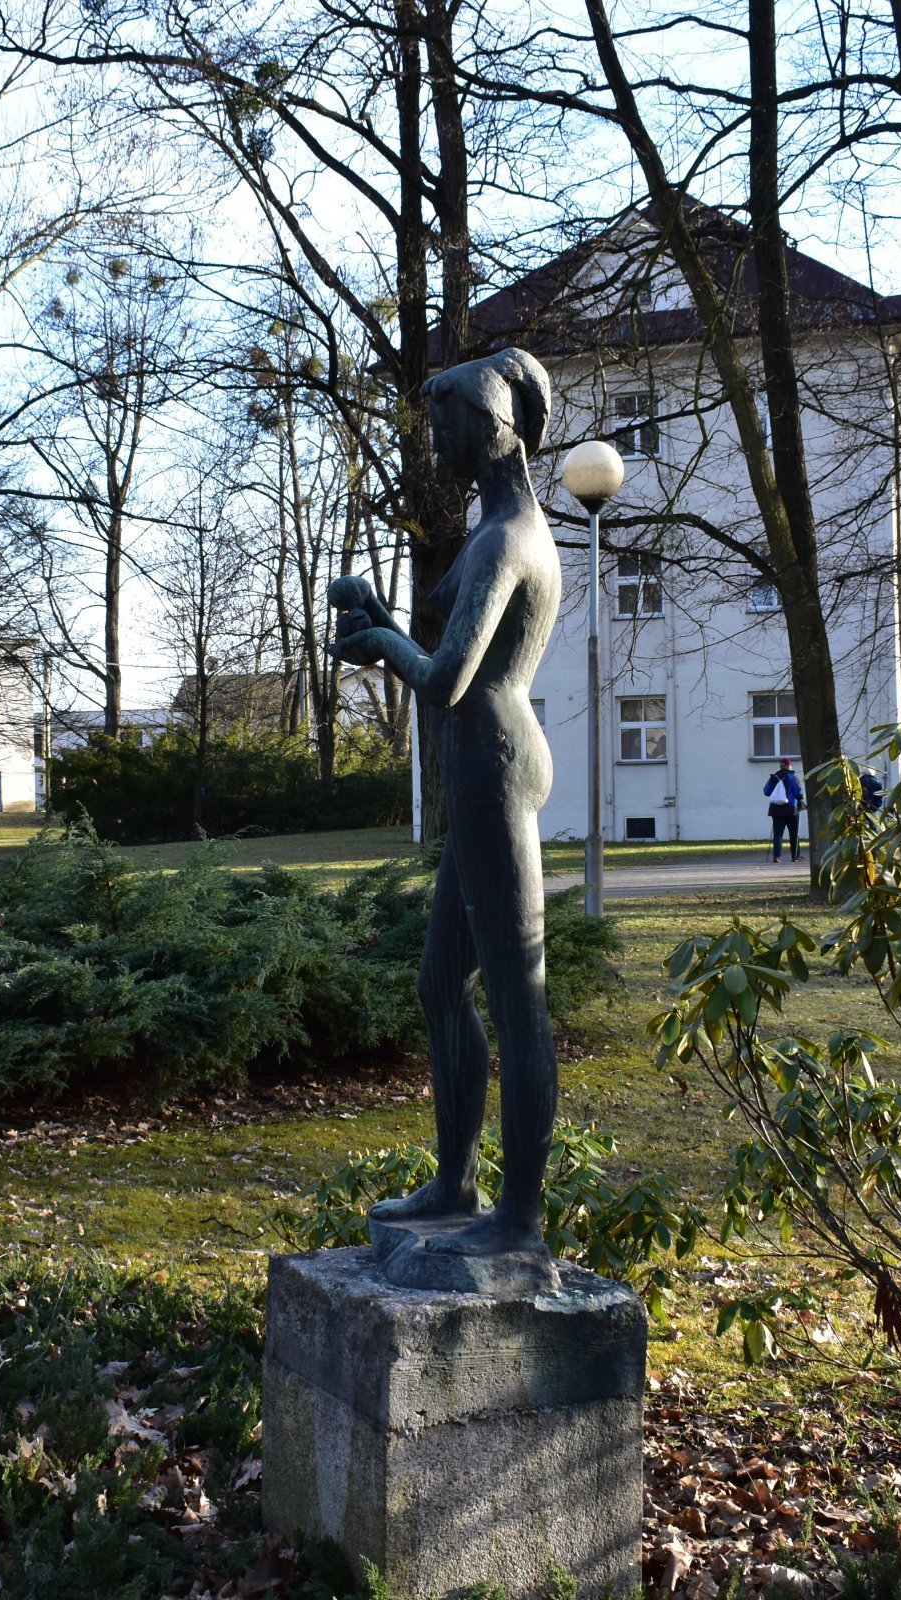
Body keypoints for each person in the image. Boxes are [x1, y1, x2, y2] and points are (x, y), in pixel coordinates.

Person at [329, 347, 562, 1278]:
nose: (436, 443)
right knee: (440, 984)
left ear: (494, 425)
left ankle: (519, 1214)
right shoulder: (486, 533)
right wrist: (377, 611)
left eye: (447, 426)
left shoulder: (511, 541)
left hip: (496, 764)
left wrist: (384, 640)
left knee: (518, 1001)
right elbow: (438, 634)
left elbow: (447, 677)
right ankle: (458, 1184)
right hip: (477, 769)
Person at [764, 757, 803, 862]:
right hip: (791, 809)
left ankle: (776, 856)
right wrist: (800, 798)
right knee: (794, 833)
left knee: (778, 833)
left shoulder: (773, 777)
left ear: (781, 766)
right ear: (789, 766)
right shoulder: (791, 777)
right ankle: (795, 856)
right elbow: (798, 792)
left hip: (775, 810)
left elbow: (766, 792)